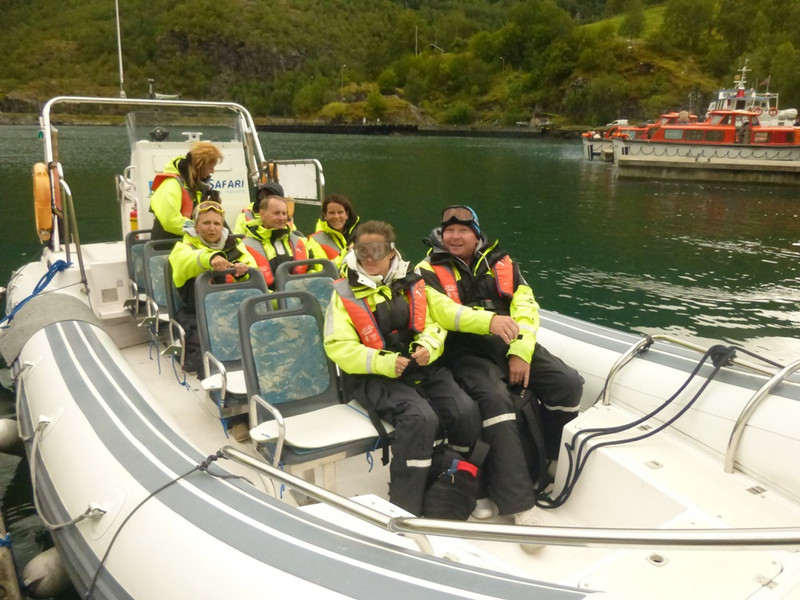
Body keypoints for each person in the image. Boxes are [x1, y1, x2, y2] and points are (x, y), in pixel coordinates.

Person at [418, 205, 583, 530]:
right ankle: (519, 505)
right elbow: (443, 312)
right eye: (449, 231)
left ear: (477, 234)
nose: (455, 236)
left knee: (568, 383)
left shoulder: (503, 263)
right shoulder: (426, 270)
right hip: (464, 347)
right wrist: (490, 322)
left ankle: (550, 460)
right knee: (497, 401)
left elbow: (526, 308)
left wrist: (520, 350)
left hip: (509, 339)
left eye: (463, 231)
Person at [324, 220, 481, 517]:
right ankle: (404, 508)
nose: (370, 257)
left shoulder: (412, 282)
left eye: (377, 250)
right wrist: (382, 362)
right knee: (420, 418)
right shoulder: (344, 294)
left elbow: (434, 325)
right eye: (362, 250)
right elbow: (337, 347)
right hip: (372, 375)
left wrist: (429, 347)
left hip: (418, 367)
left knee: (464, 410)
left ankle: (455, 485)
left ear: (391, 251)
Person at [169, 201, 257, 379]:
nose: (212, 228)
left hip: (234, 311)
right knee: (204, 353)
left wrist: (241, 270)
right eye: (206, 223)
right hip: (198, 315)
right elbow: (187, 261)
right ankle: (218, 388)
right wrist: (210, 259)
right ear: (196, 226)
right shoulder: (183, 249)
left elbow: (253, 271)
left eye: (217, 223)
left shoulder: (235, 246)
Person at [149, 141, 224, 240]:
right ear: (199, 166)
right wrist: (198, 227)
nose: (212, 172)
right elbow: (170, 221)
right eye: (210, 168)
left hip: (188, 241)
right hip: (167, 244)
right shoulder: (171, 185)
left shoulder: (195, 186)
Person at [241, 194, 317, 289]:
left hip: (302, 295)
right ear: (262, 214)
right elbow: (248, 283)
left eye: (284, 213)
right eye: (276, 213)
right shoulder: (245, 246)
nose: (281, 218)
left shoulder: (302, 242)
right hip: (265, 297)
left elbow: (314, 271)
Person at [306, 193, 360, 270]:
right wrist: (347, 253)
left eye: (340, 212)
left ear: (347, 215)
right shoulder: (314, 240)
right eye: (332, 213)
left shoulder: (360, 235)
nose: (336, 216)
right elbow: (322, 271)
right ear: (325, 215)